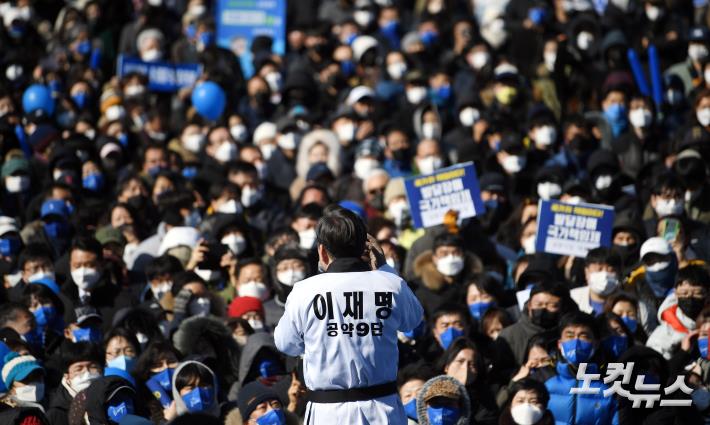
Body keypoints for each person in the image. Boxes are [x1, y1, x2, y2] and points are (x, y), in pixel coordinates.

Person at [274, 206, 423, 424]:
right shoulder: (390, 284)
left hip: (329, 414)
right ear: (367, 248)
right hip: (382, 411)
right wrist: (384, 268)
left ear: (322, 252)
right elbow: (413, 319)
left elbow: (287, 344)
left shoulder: (304, 291)